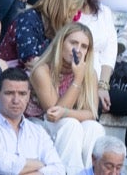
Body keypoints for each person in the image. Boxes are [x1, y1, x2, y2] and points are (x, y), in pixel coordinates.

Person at [28, 22, 105, 171]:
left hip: (67, 123)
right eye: (73, 43)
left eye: (84, 46)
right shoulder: (42, 70)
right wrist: (77, 79)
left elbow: (92, 113)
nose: (78, 50)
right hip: (39, 124)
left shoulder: (90, 73)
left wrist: (66, 113)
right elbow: (54, 112)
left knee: (94, 128)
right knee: (71, 125)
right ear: (61, 43)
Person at [0, 68, 64, 175]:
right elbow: (3, 166)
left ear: (28, 96)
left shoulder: (38, 132)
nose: (16, 100)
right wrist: (40, 164)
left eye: (22, 94)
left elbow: (59, 169)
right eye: (9, 93)